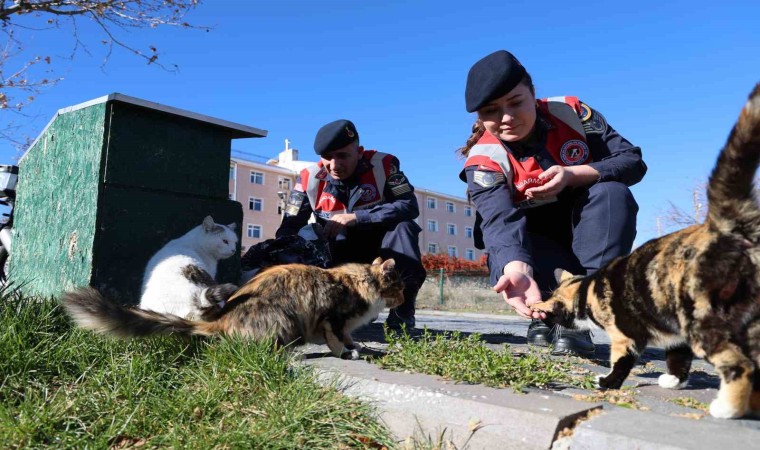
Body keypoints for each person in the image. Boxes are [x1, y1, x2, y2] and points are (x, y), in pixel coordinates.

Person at [458, 50, 647, 357]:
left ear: (533, 95)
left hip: (589, 229)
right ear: (479, 117)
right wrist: (515, 267)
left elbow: (632, 161)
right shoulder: (482, 161)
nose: (506, 118)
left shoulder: (571, 113)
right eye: (491, 111)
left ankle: (579, 311)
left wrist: (573, 175)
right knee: (514, 253)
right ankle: (544, 313)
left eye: (516, 102)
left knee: (611, 193)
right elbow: (499, 221)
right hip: (534, 242)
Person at [276, 119, 426, 330]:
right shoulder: (309, 178)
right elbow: (288, 227)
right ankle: (330, 311)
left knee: (404, 228)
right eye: (327, 157)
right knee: (304, 236)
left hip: (382, 251)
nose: (334, 165)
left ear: (359, 151)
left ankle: (402, 314)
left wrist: (358, 217)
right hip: (338, 254)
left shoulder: (384, 166)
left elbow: (409, 206)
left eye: (343, 156)